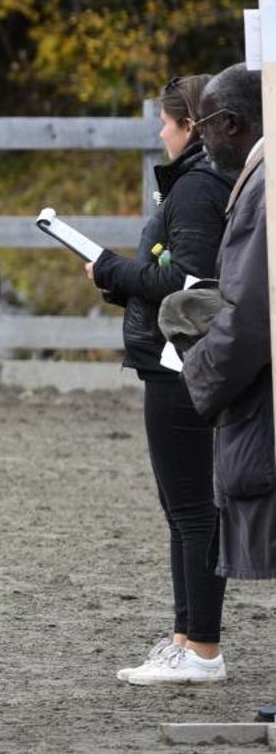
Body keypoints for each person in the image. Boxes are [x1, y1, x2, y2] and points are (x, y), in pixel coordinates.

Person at [87, 74, 230, 684]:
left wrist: (115, 271)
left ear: (189, 126)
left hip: (181, 363)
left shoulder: (196, 188)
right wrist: (122, 284)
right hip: (172, 356)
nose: (159, 133)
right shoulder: (196, 184)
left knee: (193, 509)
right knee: (183, 509)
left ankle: (203, 647)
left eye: (165, 123)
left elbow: (189, 282)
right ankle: (185, 637)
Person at [178, 66, 272, 677]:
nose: (199, 140)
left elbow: (251, 314)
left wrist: (198, 372)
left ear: (230, 124)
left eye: (203, 127)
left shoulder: (262, 184)